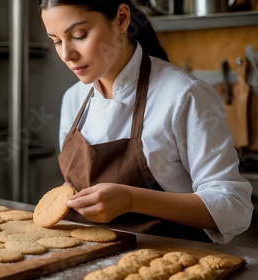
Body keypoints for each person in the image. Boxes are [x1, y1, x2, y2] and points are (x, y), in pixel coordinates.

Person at [39, 0, 254, 243]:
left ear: (121, 18)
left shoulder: (183, 95)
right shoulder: (73, 99)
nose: (67, 55)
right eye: (56, 41)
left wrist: (133, 199)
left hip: (172, 264)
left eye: (79, 35)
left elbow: (234, 208)